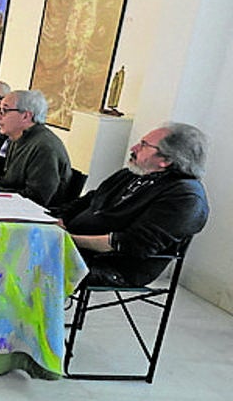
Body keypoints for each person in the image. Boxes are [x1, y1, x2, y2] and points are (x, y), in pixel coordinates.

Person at [58, 123, 209, 287]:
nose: (134, 147)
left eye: (144, 145)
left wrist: (70, 240)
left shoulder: (186, 197)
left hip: (113, 265)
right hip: (80, 248)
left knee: (36, 261)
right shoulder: (133, 173)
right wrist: (56, 219)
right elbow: (90, 199)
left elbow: (132, 244)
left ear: (166, 160)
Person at [0, 89, 70, 207]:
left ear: (26, 116)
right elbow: (9, 179)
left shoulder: (44, 147)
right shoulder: (18, 137)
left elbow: (36, 198)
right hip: (8, 205)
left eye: (4, 110)